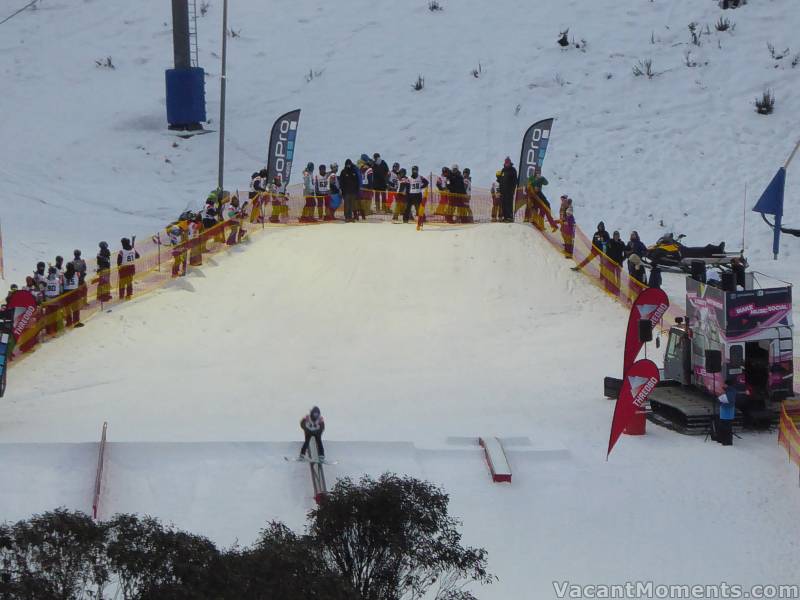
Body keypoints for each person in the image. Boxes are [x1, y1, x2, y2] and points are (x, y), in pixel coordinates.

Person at [715, 377, 737, 446]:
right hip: (725, 413)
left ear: (727, 385)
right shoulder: (728, 391)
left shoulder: (730, 392)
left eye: (724, 384)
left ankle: (727, 441)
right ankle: (723, 440)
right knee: (724, 427)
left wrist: (720, 402)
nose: (723, 385)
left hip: (727, 413)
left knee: (726, 428)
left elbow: (730, 402)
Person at [42, 266, 63, 335]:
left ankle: (54, 330)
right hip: (51, 300)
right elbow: (61, 290)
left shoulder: (54, 280)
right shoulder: (47, 280)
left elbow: (61, 290)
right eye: (51, 273)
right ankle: (52, 331)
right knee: (51, 317)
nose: (52, 274)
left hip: (52, 300)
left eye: (53, 273)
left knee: (53, 317)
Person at [62, 262, 83, 327]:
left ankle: (69, 323)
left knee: (68, 309)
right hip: (75, 292)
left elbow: (62, 284)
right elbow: (80, 280)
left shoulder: (63, 275)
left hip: (66, 293)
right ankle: (76, 322)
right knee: (76, 308)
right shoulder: (76, 273)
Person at [605, 231, 626, 295]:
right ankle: (611, 288)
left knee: (618, 277)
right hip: (611, 262)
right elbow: (606, 250)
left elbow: (625, 253)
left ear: (619, 236)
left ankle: (617, 290)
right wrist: (608, 258)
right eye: (615, 235)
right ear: (613, 236)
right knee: (612, 276)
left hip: (618, 263)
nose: (616, 236)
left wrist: (622, 259)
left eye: (617, 235)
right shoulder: (610, 242)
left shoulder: (622, 243)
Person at [499, 157, 518, 222]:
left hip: (509, 190)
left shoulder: (513, 170)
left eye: (508, 162)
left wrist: (512, 189)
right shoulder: (503, 170)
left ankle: (510, 217)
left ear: (510, 163)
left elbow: (515, 181)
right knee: (503, 204)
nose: (507, 164)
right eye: (506, 162)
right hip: (503, 190)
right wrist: (498, 178)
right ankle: (505, 217)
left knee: (509, 203)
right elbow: (501, 180)